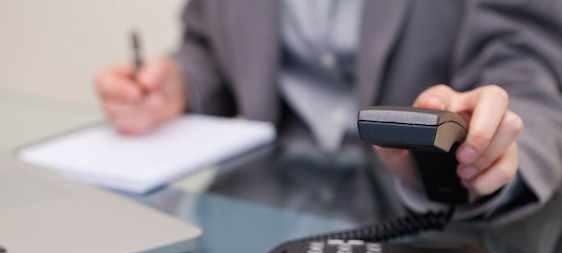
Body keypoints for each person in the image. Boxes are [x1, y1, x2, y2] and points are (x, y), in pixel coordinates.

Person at [95, 0, 562, 224]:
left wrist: (486, 147)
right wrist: (181, 82)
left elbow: (529, 69)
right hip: (256, 211)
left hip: (429, 230)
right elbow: (209, 42)